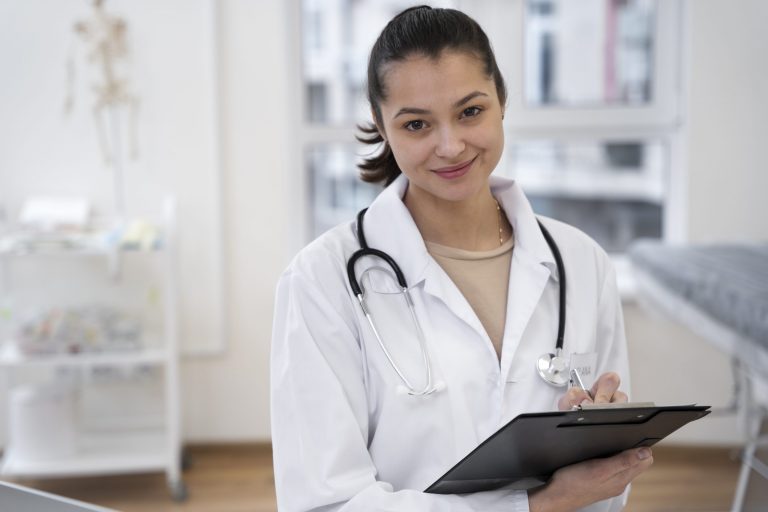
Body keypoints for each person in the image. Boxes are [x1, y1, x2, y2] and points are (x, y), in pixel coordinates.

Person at [271, 6, 652, 511]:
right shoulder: (321, 281)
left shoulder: (582, 264)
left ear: (502, 101)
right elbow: (326, 503)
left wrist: (601, 451)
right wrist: (538, 505)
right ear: (383, 127)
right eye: (416, 125)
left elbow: (604, 496)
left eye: (471, 111)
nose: (450, 146)